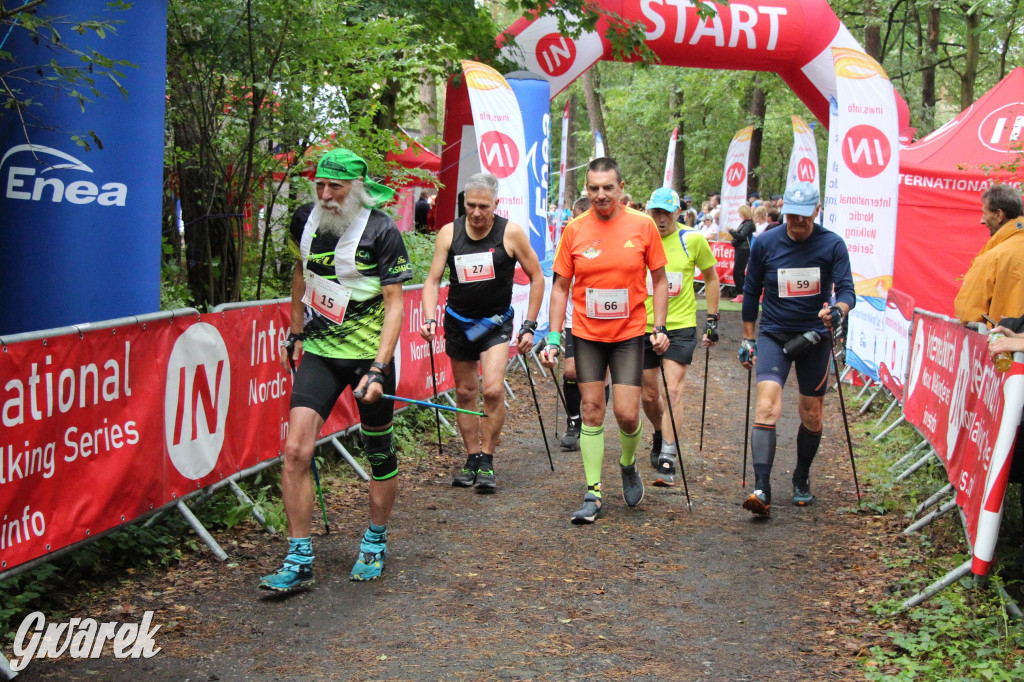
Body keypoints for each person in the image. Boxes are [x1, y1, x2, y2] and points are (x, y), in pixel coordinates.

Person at [262, 148, 412, 592]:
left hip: (368, 357)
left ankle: (375, 539)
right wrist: (295, 332)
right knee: (295, 451)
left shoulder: (382, 230)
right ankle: (298, 557)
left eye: (336, 187)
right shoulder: (303, 220)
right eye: (321, 186)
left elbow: (394, 305)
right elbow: (300, 273)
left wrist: (380, 368)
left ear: (356, 189)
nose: (326, 195)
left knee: (379, 453)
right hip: (322, 352)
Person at [540, 157, 670, 524]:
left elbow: (659, 280)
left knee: (627, 414)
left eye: (607, 188)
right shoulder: (574, 229)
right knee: (592, 411)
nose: (600, 195)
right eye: (593, 188)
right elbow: (560, 286)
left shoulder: (643, 226)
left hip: (629, 334)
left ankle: (628, 464)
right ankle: (593, 492)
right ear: (587, 190)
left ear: (621, 187)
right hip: (587, 334)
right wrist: (553, 336)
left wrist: (659, 328)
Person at [737, 180, 855, 516]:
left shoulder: (832, 245)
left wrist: (838, 310)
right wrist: (748, 337)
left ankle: (801, 475)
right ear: (782, 210)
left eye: (804, 215)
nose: (797, 222)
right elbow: (751, 289)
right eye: (791, 215)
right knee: (766, 407)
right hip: (774, 334)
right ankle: (762, 488)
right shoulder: (766, 242)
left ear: (817, 211)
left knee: (812, 414)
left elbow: (848, 292)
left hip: (814, 337)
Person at [420, 172, 544, 492]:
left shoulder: (511, 234)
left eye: (483, 206)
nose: (476, 212)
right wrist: (429, 317)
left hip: (495, 324)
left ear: (496, 205)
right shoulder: (449, 233)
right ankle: (472, 457)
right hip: (459, 322)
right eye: (470, 205)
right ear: (463, 202)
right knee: (464, 393)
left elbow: (537, 277)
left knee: (491, 390)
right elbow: (432, 280)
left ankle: (487, 460)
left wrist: (530, 325)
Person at [639, 188, 720, 486]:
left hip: (680, 326)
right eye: (655, 212)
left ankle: (668, 457)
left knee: (672, 390)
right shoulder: (639, 237)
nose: (660, 219)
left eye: (666, 213)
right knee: (649, 394)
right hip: (643, 326)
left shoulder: (693, 239)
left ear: (678, 213)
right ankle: (661, 433)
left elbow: (711, 277)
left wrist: (712, 320)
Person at [953, 184, 1024, 326]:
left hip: (1003, 343)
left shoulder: (993, 257)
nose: (982, 220)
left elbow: (968, 313)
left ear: (999, 215)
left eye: (985, 213)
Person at [559, 196, 592, 451]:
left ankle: (593, 422)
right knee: (571, 371)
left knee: (598, 378)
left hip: (607, 320)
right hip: (576, 316)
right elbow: (559, 285)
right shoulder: (570, 237)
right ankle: (573, 420)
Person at [728, 204, 755, 303]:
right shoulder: (746, 223)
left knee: (738, 271)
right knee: (738, 271)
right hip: (741, 248)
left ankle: (741, 293)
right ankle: (741, 293)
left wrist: (731, 231)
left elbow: (741, 236)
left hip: (743, 249)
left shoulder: (747, 224)